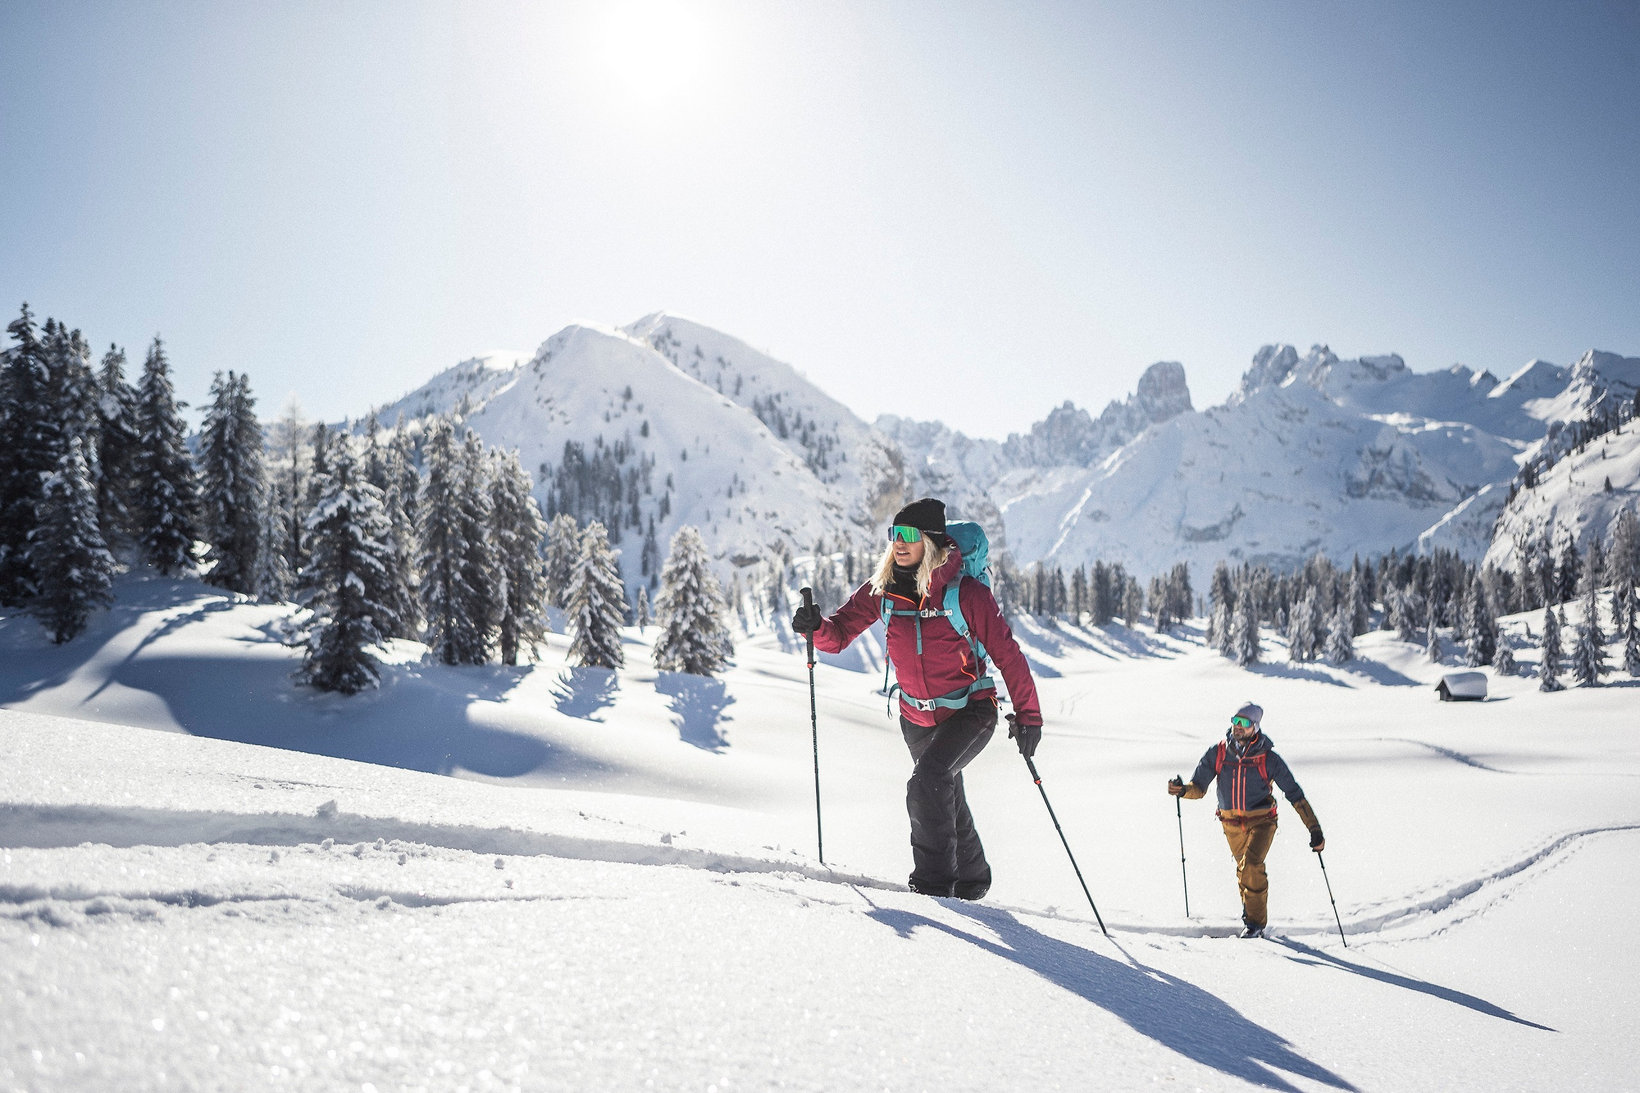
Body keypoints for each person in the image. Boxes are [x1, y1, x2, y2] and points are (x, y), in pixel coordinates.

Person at [791, 497, 1042, 900]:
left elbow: (1008, 655)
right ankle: (974, 879)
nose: (899, 543)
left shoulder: (967, 594)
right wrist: (816, 627)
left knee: (927, 783)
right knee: (944, 792)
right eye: (894, 535)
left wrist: (1029, 717)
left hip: (971, 711)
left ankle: (934, 890)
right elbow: (837, 636)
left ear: (931, 541)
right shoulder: (883, 591)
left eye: (908, 535)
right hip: (915, 717)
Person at [1167, 701, 1324, 938]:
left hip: (1262, 821)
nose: (1237, 727)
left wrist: (1314, 829)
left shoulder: (1269, 759)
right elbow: (1198, 787)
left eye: (1244, 723)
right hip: (1230, 823)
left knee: (1251, 865)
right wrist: (1182, 790)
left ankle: (1255, 925)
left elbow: (1294, 794)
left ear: (1255, 727)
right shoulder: (1218, 752)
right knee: (1243, 871)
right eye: (1235, 721)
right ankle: (1250, 918)